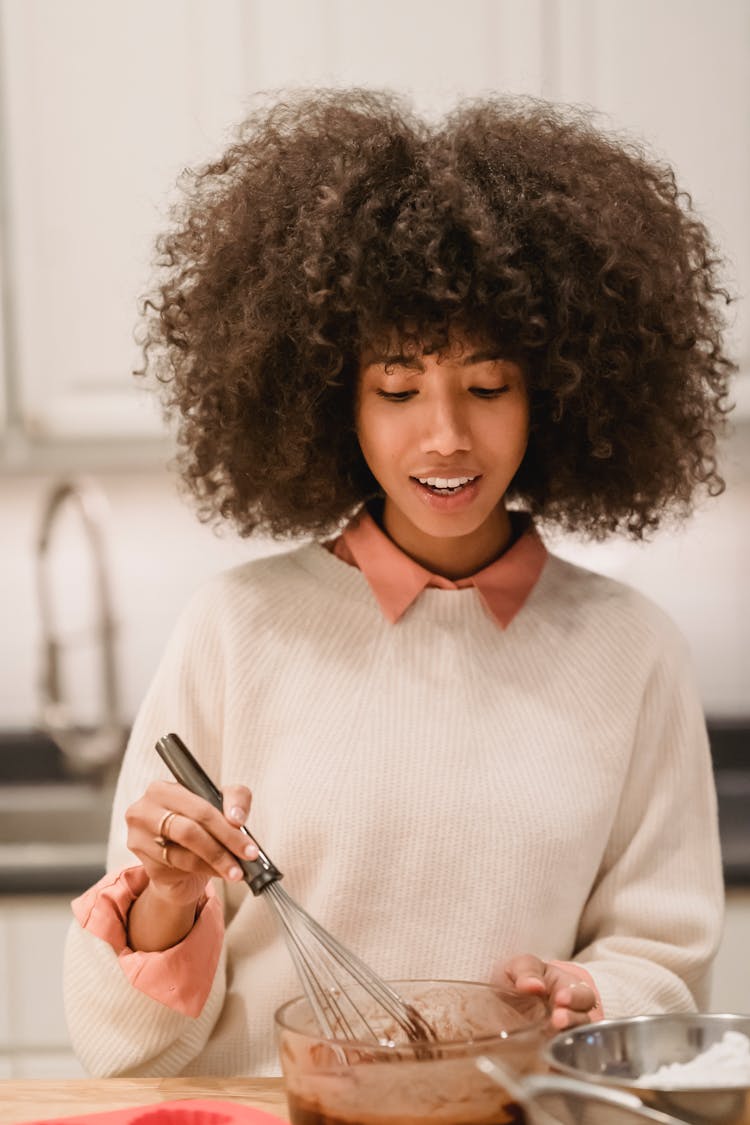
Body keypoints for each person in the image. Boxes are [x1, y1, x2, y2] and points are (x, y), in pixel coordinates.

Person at [63, 88, 733, 1078]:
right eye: (398, 389)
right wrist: (165, 898)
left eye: (490, 386)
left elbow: (664, 965)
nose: (447, 436)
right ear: (334, 399)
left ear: (558, 391)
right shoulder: (235, 631)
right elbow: (119, 1047)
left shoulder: (633, 653)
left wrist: (596, 997)